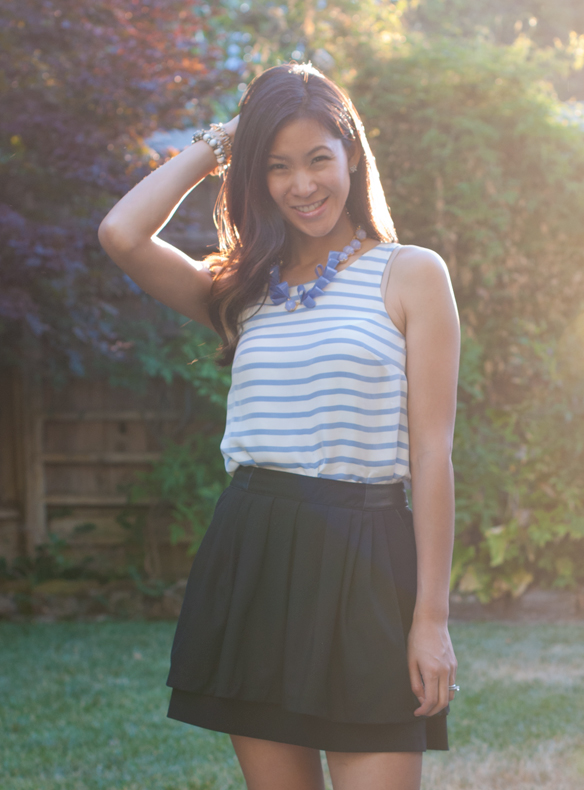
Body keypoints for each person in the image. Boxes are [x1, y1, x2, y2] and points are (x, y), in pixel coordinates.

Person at [99, 62, 460, 790]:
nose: (303, 184)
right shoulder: (242, 289)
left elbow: (432, 454)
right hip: (257, 551)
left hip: (369, 559)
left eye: (319, 159)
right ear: (255, 177)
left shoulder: (411, 274)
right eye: (278, 166)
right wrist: (225, 140)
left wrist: (431, 619)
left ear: (352, 156)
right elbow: (122, 232)